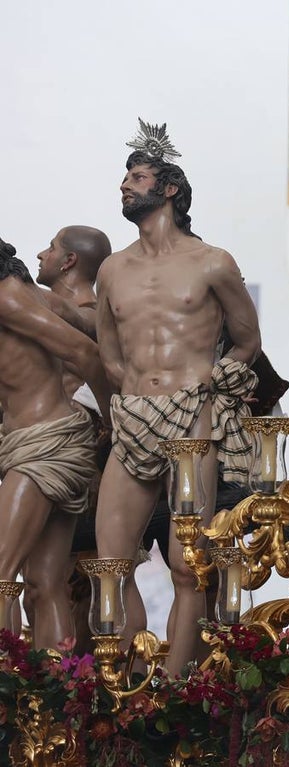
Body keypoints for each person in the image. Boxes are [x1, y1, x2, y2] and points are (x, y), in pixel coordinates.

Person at [94, 121, 262, 671]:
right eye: (124, 177)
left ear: (168, 188)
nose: (124, 185)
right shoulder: (111, 270)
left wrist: (209, 384)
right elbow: (110, 351)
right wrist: (134, 390)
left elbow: (247, 341)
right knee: (110, 561)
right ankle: (126, 682)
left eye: (136, 176)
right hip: (135, 415)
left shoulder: (212, 261)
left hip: (195, 420)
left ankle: (177, 688)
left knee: (191, 567)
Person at [0, 236, 112, 648]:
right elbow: (100, 329)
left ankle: (8, 692)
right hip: (51, 444)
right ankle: (59, 696)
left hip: (44, 447)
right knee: (43, 582)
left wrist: (113, 421)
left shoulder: (7, 299)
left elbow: (86, 352)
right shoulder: (40, 297)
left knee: (1, 571)